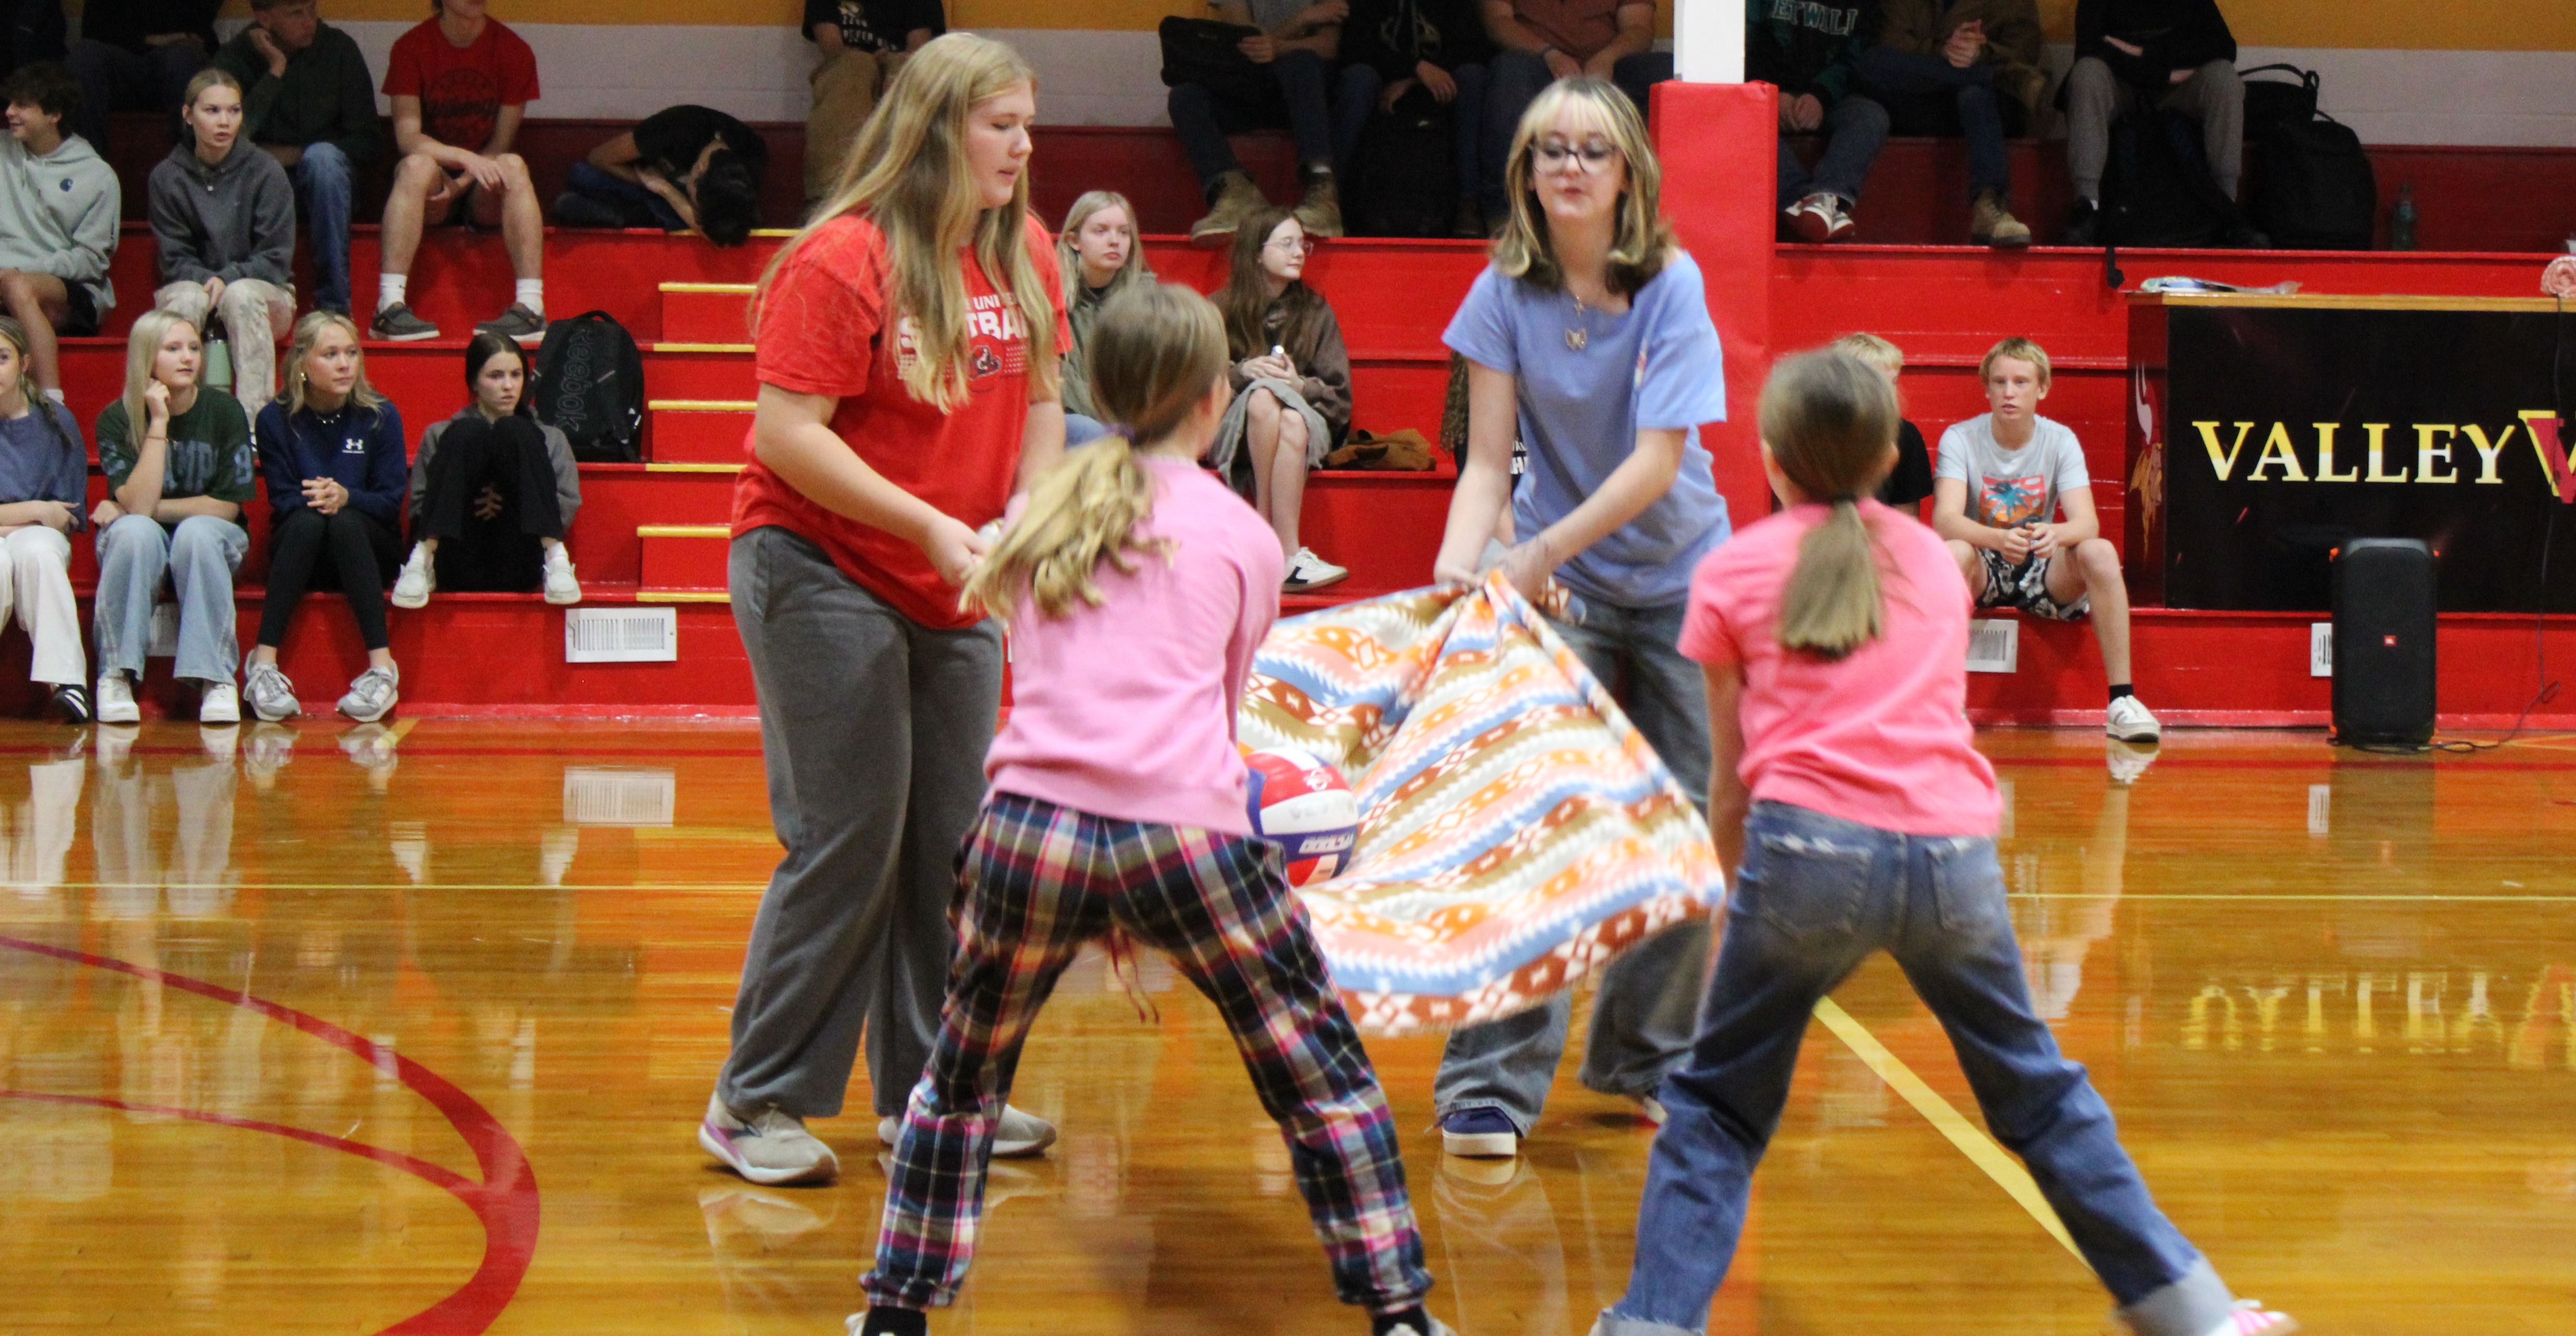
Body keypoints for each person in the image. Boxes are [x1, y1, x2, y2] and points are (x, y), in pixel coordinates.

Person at [1593, 347, 2296, 1336]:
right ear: (1890, 458)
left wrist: (1725, 904)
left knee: (1712, 1108)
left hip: (1804, 859)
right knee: (2040, 1097)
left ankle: (1652, 1327)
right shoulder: (1930, 560)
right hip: (1952, 858)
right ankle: (2195, 1315)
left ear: (1770, 459)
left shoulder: (1730, 570)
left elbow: (1732, 779)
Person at [855, 279, 1444, 1336]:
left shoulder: (1035, 513)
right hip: (1187, 830)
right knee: (1319, 1074)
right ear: (1216, 399)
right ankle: (1397, 1313)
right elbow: (1220, 708)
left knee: (959, 1079)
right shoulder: (1244, 533)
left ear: (1103, 388)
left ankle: (895, 1313)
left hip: (1027, 827)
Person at [699, 32, 1065, 1190]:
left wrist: (1023, 514)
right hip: (818, 563)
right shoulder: (842, 257)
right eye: (1000, 125)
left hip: (952, 577)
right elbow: (785, 434)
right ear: (937, 128)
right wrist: (928, 525)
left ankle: (932, 1093)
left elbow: (1043, 406)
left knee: (952, 848)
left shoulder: (1027, 253)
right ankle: (753, 1098)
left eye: (1028, 124)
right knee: (850, 834)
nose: (1022, 146)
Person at [1428, 76, 1729, 1160]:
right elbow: (1485, 465)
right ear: (1525, 171)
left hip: (1680, 575)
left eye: (1591, 150)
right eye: (1549, 149)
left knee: (1682, 823)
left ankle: (1647, 1059)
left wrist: (1533, 552)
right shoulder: (1500, 289)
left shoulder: (1671, 285)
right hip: (1562, 585)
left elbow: (1657, 463)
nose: (1569, 165)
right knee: (1538, 822)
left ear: (1627, 173)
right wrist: (1455, 569)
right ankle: (1488, 1083)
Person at [1933, 337, 2158, 743]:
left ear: (2042, 389)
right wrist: (1998, 539)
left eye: (2020, 382)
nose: (2009, 392)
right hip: (1984, 564)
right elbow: (1946, 520)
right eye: (1999, 382)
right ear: (1986, 389)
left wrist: (2056, 533)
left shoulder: (2059, 439)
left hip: (2042, 567)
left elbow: (2086, 523)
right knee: (1952, 553)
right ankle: (1943, 702)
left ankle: (2122, 701)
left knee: (2100, 552)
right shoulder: (1960, 438)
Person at [91, 310, 255, 726]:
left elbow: (226, 507)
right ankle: (116, 675)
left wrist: (133, 507)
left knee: (194, 532)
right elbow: (141, 512)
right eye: (173, 349)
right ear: (147, 358)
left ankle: (216, 678)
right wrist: (159, 423)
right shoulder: (116, 418)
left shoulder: (225, 411)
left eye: (194, 348)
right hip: (143, 543)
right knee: (134, 532)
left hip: (212, 542)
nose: (188, 358)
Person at [242, 311, 407, 725]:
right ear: (302, 363)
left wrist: (347, 496)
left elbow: (389, 501)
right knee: (310, 521)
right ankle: (263, 666)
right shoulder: (274, 419)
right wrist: (321, 499)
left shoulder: (380, 415)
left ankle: (382, 671)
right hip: (304, 548)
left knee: (346, 521)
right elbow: (282, 498)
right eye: (330, 354)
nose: (344, 364)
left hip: (369, 549)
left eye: (351, 353)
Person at [372, 0, 546, 344]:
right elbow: (408, 139)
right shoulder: (411, 47)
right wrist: (464, 160)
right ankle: (388, 307)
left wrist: (463, 182)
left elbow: (500, 144)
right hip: (432, 186)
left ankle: (531, 307)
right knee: (415, 166)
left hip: (482, 189)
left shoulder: (514, 50)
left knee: (513, 165)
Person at [1210, 207, 1351, 592]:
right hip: (1236, 432)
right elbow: (1196, 384)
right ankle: (1280, 549)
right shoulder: (1218, 308)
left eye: (1302, 244)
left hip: (1304, 428)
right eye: (1286, 244)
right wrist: (1242, 372)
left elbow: (1340, 397)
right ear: (1257, 253)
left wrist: (1298, 386)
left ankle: (1274, 548)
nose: (1299, 253)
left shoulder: (1317, 312)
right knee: (1261, 400)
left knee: (1288, 416)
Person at [211, 0, 382, 317]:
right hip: (262, 184)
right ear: (265, 18)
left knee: (322, 160)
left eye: (312, 10)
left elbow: (369, 142)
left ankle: (334, 309)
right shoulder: (236, 57)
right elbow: (225, 140)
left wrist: (299, 154)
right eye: (296, 14)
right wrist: (275, 70)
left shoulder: (339, 49)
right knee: (233, 173)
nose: (309, 22)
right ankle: (234, 300)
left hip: (328, 186)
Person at [147, 68, 296, 421]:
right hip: (194, 287)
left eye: (234, 110)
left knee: (240, 296)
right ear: (188, 115)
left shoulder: (266, 171)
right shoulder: (167, 176)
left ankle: (253, 428)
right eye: (212, 111)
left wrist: (228, 278)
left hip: (263, 293)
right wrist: (208, 281)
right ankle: (179, 419)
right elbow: (173, 258)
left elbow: (275, 258)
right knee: (186, 298)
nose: (225, 121)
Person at [392, 330, 581, 606]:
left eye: (516, 375)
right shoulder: (441, 434)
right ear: (474, 383)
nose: (509, 386)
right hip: (457, 552)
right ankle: (422, 560)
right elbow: (419, 504)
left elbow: (567, 503)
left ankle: (556, 558)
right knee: (467, 432)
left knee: (517, 430)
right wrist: (470, 501)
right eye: (496, 376)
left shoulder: (550, 437)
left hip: (520, 554)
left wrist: (509, 501)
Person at [2060, 0, 2255, 247]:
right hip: (2122, 84)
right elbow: (2090, 49)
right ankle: (2087, 207)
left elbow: (2223, 47)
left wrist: (2139, 52)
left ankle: (2226, 208)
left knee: (2224, 78)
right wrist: (2164, 72)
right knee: (2087, 73)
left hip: (2178, 88)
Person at [1855, 0, 2040, 247]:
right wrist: (1945, 52)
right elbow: (1891, 40)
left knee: (1974, 94)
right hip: (1923, 99)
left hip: (1986, 108)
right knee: (1872, 62)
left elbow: (2026, 48)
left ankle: (1989, 205)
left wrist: (1981, 53)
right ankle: (1988, 76)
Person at [1174, 0, 1356, 244]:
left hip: (1308, 97)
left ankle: (1322, 190)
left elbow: (1329, 47)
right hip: (1253, 88)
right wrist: (1304, 18)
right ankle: (1235, 194)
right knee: (1185, 96)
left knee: (1300, 61)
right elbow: (1246, 43)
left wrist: (1278, 47)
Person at [1475, 0, 1659, 229]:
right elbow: (1498, 23)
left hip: (1609, 65)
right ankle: (1505, 215)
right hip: (1536, 62)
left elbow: (1639, 29)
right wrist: (1550, 54)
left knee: (1663, 72)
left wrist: (1607, 59)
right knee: (1510, 71)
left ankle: (1650, 211)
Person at [0, 60, 117, 398]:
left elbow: (91, 260)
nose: (9, 112)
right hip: (7, 281)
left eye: (23, 105)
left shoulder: (97, 175)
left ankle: (53, 404)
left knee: (18, 287)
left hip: (70, 287)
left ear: (54, 114)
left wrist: (24, 270)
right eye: (10, 103)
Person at [0, 315, 92, 723]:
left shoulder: (57, 421)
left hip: (38, 536)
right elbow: (47, 512)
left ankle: (69, 684)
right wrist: (36, 510)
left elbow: (65, 516)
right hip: (28, 525)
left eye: (2, 357)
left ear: (24, 363)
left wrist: (19, 522)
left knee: (38, 553)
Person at [1340, 0, 1493, 239]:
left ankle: (1468, 203)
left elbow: (1473, 47)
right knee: (1359, 79)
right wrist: (1414, 67)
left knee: (1473, 77)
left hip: (1438, 84)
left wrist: (1415, 79)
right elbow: (1354, 47)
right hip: (1382, 84)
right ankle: (1336, 201)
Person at [1750, 0, 1891, 246]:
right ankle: (1806, 202)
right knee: (1745, 120)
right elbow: (1741, 41)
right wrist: (1770, 92)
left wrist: (1821, 95)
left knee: (1870, 115)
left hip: (1831, 98)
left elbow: (1858, 58)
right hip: (1762, 93)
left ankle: (1828, 197)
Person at [555, 103, 768, 247]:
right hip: (644, 184)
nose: (697, 214)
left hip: (668, 199)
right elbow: (598, 158)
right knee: (583, 175)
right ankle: (632, 214)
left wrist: (668, 191)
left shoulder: (748, 163)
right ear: (698, 169)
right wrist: (649, 182)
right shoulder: (677, 126)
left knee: (685, 221)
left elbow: (717, 237)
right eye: (697, 207)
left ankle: (627, 216)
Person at [801, 0, 940, 209]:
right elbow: (831, 45)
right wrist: (866, 60)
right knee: (854, 67)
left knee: (904, 70)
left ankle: (904, 197)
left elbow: (919, 49)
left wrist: (892, 61)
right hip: (850, 64)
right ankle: (829, 197)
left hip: (896, 63)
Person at [1055, 190, 1154, 448]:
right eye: (1101, 231)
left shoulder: (1149, 300)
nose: (1114, 241)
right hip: (1071, 418)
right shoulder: (1051, 296)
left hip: (1130, 420)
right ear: (1074, 240)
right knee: (1088, 430)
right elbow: (1061, 384)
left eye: (1124, 233)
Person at [62, 0, 216, 149]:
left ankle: (192, 160)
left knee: (182, 58)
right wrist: (158, 39)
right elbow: (94, 31)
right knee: (85, 55)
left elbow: (196, 34)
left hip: (177, 62)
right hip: (119, 66)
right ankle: (86, 160)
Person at [1832, 333, 1932, 510]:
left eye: (1893, 382)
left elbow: (1906, 518)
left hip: (1879, 527)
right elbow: (1789, 514)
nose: (1890, 393)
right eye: (1879, 383)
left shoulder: (1904, 435)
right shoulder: (1811, 432)